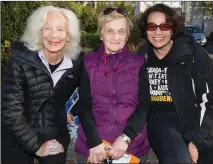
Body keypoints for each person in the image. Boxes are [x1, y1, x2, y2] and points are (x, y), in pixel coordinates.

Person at [137, 3, 213, 164]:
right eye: (152, 26)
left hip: (199, 119)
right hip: (163, 122)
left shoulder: (191, 53)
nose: (158, 32)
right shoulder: (141, 58)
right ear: (145, 29)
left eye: (164, 26)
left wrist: (198, 140)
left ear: (172, 29)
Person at [1, 5, 83, 164]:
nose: (54, 35)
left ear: (68, 36)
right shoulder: (20, 60)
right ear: (39, 32)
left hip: (53, 129)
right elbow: (10, 111)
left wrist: (73, 109)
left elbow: (89, 90)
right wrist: (36, 146)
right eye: (47, 28)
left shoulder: (76, 62)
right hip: (15, 132)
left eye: (60, 29)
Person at [74, 7, 150, 163]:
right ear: (101, 34)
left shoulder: (138, 62)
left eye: (121, 31)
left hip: (131, 148)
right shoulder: (88, 62)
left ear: (127, 35)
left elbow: (144, 105)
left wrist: (126, 137)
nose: (116, 37)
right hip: (93, 148)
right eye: (109, 31)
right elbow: (84, 105)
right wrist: (94, 141)